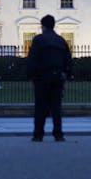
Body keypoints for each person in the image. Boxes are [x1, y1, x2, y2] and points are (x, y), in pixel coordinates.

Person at [26, 14, 72, 142]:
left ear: (43, 26)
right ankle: (58, 134)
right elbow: (68, 60)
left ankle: (38, 134)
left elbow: (32, 59)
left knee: (40, 106)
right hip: (57, 76)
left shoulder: (38, 40)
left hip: (41, 77)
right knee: (56, 107)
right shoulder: (61, 40)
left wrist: (31, 75)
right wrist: (66, 75)